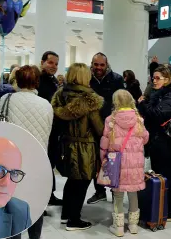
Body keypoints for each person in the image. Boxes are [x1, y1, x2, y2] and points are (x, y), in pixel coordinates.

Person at [0, 65, 53, 239]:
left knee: (12, 205)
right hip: (38, 161)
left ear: (16, 80)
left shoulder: (6, 99)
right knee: (35, 204)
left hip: (11, 162)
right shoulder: (46, 105)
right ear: (37, 82)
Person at [51, 63, 104, 231]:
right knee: (83, 181)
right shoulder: (89, 99)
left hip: (66, 144)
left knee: (72, 180)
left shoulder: (60, 95)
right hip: (85, 146)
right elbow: (98, 128)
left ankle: (66, 214)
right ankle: (74, 220)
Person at [138, 66, 171, 221]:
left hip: (167, 143)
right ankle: (164, 208)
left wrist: (144, 104)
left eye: (158, 78)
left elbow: (157, 115)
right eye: (153, 77)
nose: (154, 80)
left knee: (167, 176)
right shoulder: (158, 94)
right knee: (162, 175)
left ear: (167, 79)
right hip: (159, 141)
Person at [100, 90, 149, 237]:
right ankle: (133, 225)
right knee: (133, 193)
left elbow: (105, 143)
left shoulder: (111, 120)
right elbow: (145, 138)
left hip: (118, 164)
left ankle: (119, 226)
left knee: (118, 195)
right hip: (135, 164)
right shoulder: (139, 119)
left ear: (115, 102)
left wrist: (103, 159)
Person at [88, 52, 124, 205]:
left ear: (106, 64)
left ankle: (115, 191)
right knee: (96, 159)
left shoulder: (117, 79)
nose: (99, 68)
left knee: (113, 159)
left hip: (111, 127)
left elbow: (120, 101)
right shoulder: (87, 78)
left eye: (102, 65)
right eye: (96, 64)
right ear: (92, 64)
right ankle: (99, 191)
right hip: (91, 126)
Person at [37, 51, 62, 206]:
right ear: (42, 62)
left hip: (53, 128)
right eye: (51, 62)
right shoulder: (38, 81)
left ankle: (49, 194)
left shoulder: (52, 81)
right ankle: (41, 197)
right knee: (43, 163)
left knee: (50, 163)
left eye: (56, 63)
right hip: (42, 128)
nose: (54, 66)